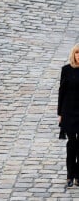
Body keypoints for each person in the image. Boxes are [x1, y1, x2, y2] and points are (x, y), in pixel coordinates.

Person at [58, 43, 79, 187]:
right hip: (69, 111)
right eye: (77, 53)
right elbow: (62, 92)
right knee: (71, 144)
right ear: (74, 54)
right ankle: (70, 176)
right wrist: (60, 113)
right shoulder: (66, 70)